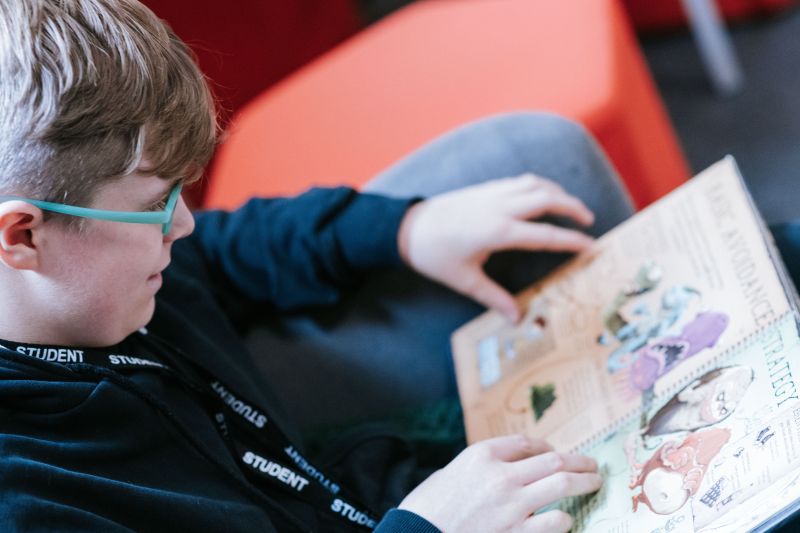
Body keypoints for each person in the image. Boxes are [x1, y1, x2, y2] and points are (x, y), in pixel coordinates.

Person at [0, 1, 640, 531]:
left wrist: (403, 230)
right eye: (154, 205)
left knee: (545, 160)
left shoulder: (95, 278)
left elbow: (226, 247)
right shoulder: (34, 501)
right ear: (23, 235)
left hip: (344, 484)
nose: (185, 223)